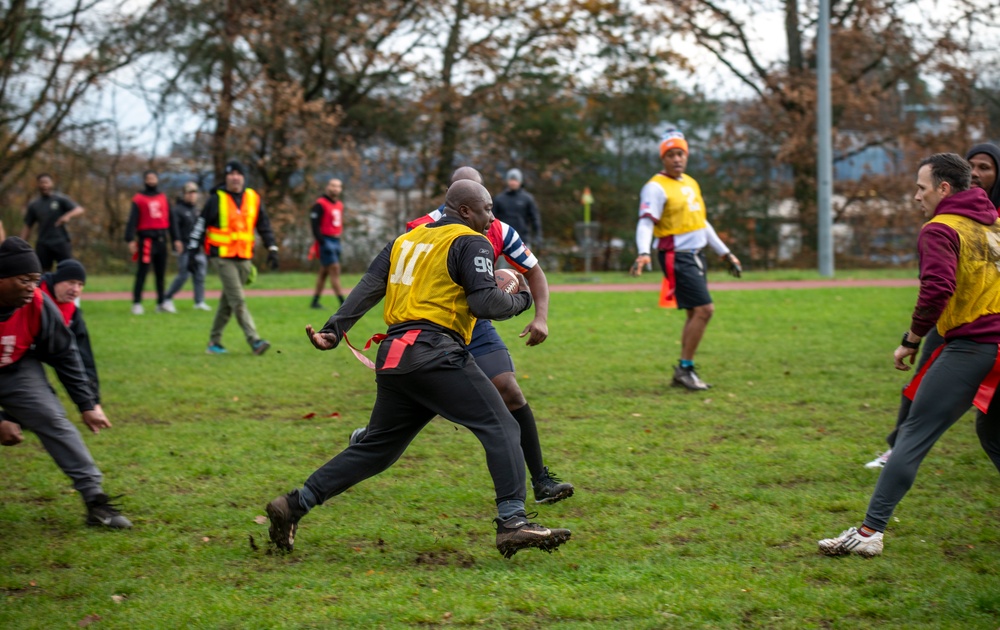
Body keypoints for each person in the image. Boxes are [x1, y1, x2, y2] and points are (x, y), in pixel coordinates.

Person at [265, 179, 572, 559]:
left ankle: (293, 505)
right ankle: (513, 523)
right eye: (487, 208)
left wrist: (334, 329)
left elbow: (369, 285)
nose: (491, 216)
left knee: (377, 448)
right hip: (435, 351)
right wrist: (522, 298)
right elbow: (485, 303)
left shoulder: (404, 240)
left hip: (395, 355)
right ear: (464, 210)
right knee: (502, 425)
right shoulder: (470, 240)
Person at [348, 166, 573, 504]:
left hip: (475, 323)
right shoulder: (423, 227)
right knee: (434, 397)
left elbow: (534, 272)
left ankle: (540, 480)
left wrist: (541, 316)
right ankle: (372, 437)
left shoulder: (498, 229)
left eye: (486, 200)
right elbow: (389, 276)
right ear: (457, 202)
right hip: (431, 326)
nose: (487, 212)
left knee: (509, 391)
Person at [819, 153, 1000, 557]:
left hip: (974, 347)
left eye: (921, 187)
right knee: (992, 433)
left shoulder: (940, 228)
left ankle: (869, 534)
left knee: (912, 437)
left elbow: (937, 288)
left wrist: (912, 338)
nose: (915, 196)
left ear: (943, 189)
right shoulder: (994, 226)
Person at [864, 142, 1000, 469]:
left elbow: (938, 287)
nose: (977, 173)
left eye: (986, 167)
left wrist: (910, 338)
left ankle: (874, 520)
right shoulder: (958, 219)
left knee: (928, 408)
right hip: (957, 325)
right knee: (979, 423)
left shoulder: (952, 225)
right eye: (972, 167)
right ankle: (897, 449)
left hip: (978, 334)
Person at [0, 238, 131, 528]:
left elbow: (65, 355)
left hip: (14, 368)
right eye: (24, 280)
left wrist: (87, 404)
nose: (32, 287)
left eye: (36, 280)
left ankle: (95, 501)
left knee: (52, 418)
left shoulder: (37, 303)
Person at [630, 128, 742, 391]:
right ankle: (685, 368)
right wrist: (643, 252)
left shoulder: (691, 183)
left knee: (696, 312)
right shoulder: (655, 187)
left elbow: (701, 224)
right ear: (663, 159)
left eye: (681, 153)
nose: (677, 159)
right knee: (705, 310)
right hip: (676, 256)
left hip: (697, 255)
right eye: (671, 154)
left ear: (687, 155)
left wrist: (725, 252)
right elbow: (646, 223)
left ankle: (684, 370)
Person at [186, 160, 279, 355]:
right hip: (222, 257)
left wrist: (272, 248)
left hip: (244, 257)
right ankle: (254, 340)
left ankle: (214, 343)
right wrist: (192, 254)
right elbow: (200, 226)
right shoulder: (215, 199)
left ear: (243, 177)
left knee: (227, 302)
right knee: (238, 300)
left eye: (239, 173)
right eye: (231, 173)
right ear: (226, 177)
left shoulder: (253, 198)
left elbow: (264, 225)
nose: (235, 177)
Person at [126, 170, 183, 315]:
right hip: (146, 240)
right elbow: (132, 220)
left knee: (161, 274)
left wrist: (176, 238)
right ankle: (137, 303)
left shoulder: (163, 198)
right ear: (145, 180)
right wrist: (130, 239)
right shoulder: (139, 199)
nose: (151, 181)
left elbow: (171, 220)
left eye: (153, 178)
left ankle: (161, 302)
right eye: (148, 178)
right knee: (142, 272)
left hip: (161, 239)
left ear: (157, 180)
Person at [163, 182, 211, 312]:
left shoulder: (197, 210)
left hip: (197, 248)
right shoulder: (177, 210)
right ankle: (166, 298)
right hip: (185, 248)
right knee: (184, 274)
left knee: (200, 275)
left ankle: (199, 301)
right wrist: (176, 241)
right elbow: (174, 228)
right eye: (190, 193)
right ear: (184, 194)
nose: (192, 195)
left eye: (194, 192)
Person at [20, 173, 84, 270]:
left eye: (46, 182)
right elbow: (28, 226)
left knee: (67, 269)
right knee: (42, 271)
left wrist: (67, 216)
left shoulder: (60, 199)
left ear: (51, 184)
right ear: (38, 185)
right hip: (43, 242)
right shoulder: (34, 204)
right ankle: (45, 285)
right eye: (41, 183)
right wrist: (20, 243)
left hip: (61, 241)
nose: (44, 185)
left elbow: (79, 209)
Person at [308, 178, 346, 309]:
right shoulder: (320, 204)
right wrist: (322, 242)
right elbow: (314, 225)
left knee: (324, 272)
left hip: (336, 240)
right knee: (335, 269)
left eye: (338, 186)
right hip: (326, 240)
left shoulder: (340, 205)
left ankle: (315, 301)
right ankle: (343, 302)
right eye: (333, 185)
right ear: (327, 187)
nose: (335, 188)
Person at [492, 168, 542, 250]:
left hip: (523, 241)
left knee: (524, 263)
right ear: (507, 181)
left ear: (520, 181)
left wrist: (537, 235)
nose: (513, 182)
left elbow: (535, 218)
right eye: (511, 180)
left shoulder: (527, 198)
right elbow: (492, 220)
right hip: (503, 241)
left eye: (515, 180)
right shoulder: (499, 199)